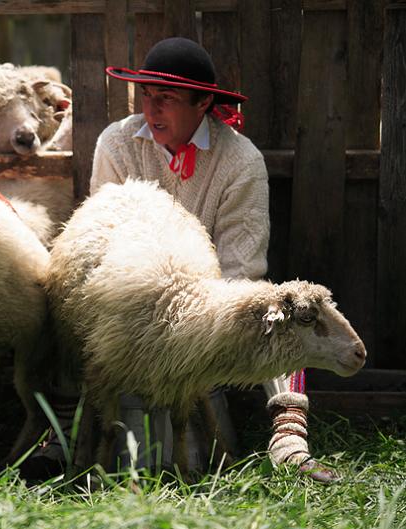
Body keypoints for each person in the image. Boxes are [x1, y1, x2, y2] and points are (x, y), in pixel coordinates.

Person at [28, 37, 335, 483]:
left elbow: (241, 269)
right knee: (60, 302)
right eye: (146, 97)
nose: (152, 111)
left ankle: (288, 437)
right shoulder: (117, 143)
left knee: (280, 315)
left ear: (204, 102)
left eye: (167, 99)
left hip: (205, 305)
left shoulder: (238, 160)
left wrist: (190, 317)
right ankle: (63, 433)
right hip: (127, 304)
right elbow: (99, 234)